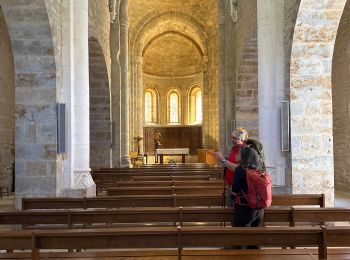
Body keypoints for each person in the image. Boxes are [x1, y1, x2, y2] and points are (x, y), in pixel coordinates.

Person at [231, 146, 264, 249]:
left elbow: (235, 190)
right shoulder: (259, 170)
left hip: (244, 207)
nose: (236, 155)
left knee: (240, 237)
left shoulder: (240, 170)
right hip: (259, 208)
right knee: (255, 237)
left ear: (244, 156)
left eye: (239, 153)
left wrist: (232, 198)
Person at [214, 127, 248, 207]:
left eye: (234, 138)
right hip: (231, 186)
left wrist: (222, 159)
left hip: (239, 189)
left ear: (242, 140)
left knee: (235, 212)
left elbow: (237, 169)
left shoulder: (245, 151)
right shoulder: (235, 148)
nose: (232, 140)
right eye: (232, 138)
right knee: (230, 211)